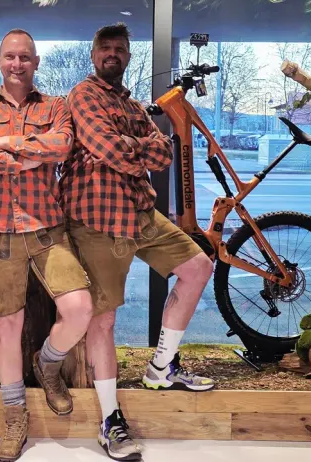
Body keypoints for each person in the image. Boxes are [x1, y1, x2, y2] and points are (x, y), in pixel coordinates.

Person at [61, 23, 217, 461]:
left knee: (198, 267)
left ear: (129, 56)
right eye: (105, 48)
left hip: (141, 213)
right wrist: (136, 145)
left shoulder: (129, 102)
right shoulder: (82, 95)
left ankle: (162, 365)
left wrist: (132, 145)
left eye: (120, 49)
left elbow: (165, 152)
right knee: (103, 320)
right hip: (96, 219)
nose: (113, 54)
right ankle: (110, 419)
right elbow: (106, 147)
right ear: (94, 54)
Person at [0, 29, 94, 462]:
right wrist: (26, 156)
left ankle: (49, 360)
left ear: (36, 62)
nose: (17, 64)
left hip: (46, 228)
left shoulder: (55, 106)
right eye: (10, 57)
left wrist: (5, 142)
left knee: (79, 309)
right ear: (0, 61)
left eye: (25, 57)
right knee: (7, 325)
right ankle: (15, 413)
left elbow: (62, 145)